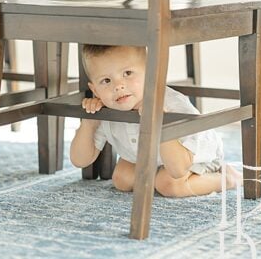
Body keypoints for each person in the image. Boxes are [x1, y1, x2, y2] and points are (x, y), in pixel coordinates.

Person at [71, 44, 242, 197]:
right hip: (150, 159)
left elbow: (178, 169)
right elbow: (80, 160)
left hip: (192, 157)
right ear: (95, 90)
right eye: (106, 81)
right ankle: (157, 175)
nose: (118, 86)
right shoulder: (108, 108)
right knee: (122, 179)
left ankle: (229, 178)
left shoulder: (173, 105)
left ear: (151, 73)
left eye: (127, 73)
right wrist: (89, 124)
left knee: (168, 185)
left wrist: (159, 120)